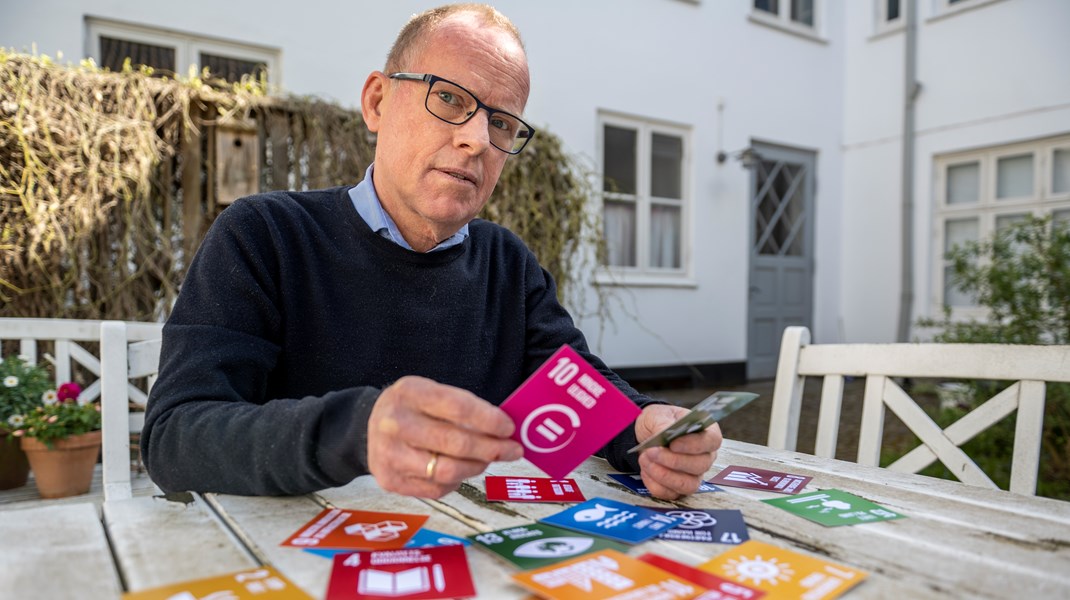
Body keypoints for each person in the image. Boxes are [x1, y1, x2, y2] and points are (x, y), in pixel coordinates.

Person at [141, 3, 721, 501]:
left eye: (500, 122)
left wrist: (643, 429)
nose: (475, 138)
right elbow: (177, 437)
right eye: (448, 99)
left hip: (475, 552)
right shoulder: (266, 236)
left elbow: (572, 388)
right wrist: (357, 431)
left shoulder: (506, 265)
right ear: (376, 101)